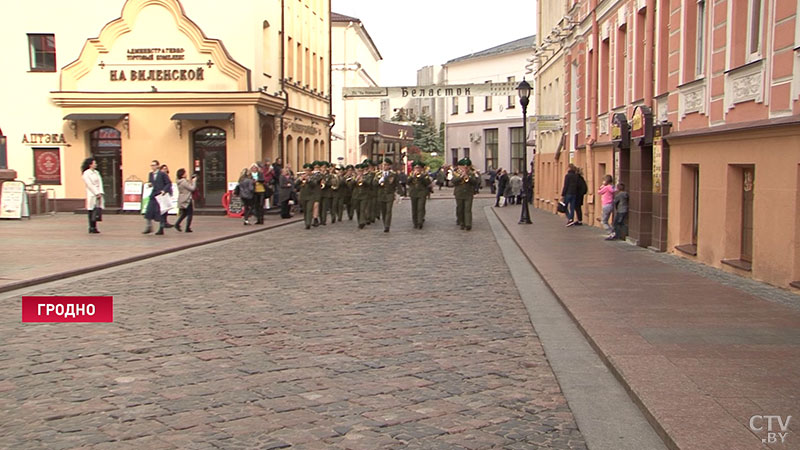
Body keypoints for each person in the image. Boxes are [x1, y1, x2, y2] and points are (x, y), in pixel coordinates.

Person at [144, 160, 172, 235]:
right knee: (148, 211)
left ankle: (161, 228)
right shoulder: (150, 174)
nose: (152, 167)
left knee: (161, 212)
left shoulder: (162, 174)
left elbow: (169, 183)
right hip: (153, 195)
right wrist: (150, 184)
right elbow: (151, 182)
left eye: (154, 165)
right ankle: (149, 227)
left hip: (160, 195)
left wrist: (164, 190)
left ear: (157, 166)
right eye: (151, 165)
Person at [453, 158, 480, 231]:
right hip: (459, 193)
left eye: (467, 167)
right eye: (463, 167)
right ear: (460, 167)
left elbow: (476, 182)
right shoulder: (456, 173)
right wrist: (461, 176)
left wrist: (469, 178)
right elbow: (453, 182)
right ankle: (462, 222)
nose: (465, 168)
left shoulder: (472, 173)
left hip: (469, 193)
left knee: (468, 209)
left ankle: (468, 224)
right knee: (460, 209)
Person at [375, 158, 398, 232]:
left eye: (386, 165)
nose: (384, 166)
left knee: (388, 210)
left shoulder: (393, 174)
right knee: (383, 211)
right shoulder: (378, 174)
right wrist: (379, 181)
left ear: (389, 166)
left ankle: (387, 226)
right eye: (383, 165)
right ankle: (385, 223)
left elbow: (396, 184)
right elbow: (373, 184)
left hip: (389, 194)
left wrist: (399, 193)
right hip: (381, 194)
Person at [81, 157, 103, 234]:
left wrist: (100, 192)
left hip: (98, 194)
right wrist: (96, 192)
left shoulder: (96, 172)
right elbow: (89, 184)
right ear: (90, 164)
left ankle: (95, 226)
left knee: (96, 210)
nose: (96, 164)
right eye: (94, 163)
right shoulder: (86, 173)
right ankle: (91, 226)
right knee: (91, 210)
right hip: (91, 193)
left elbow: (100, 183)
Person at [408, 160, 431, 229]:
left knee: (420, 208)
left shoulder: (425, 175)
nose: (417, 169)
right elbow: (408, 182)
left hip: (422, 193)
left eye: (418, 168)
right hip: (413, 192)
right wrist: (412, 176)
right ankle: (415, 222)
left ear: (421, 168)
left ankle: (420, 222)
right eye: (416, 168)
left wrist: (421, 176)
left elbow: (427, 183)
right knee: (414, 208)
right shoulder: (411, 174)